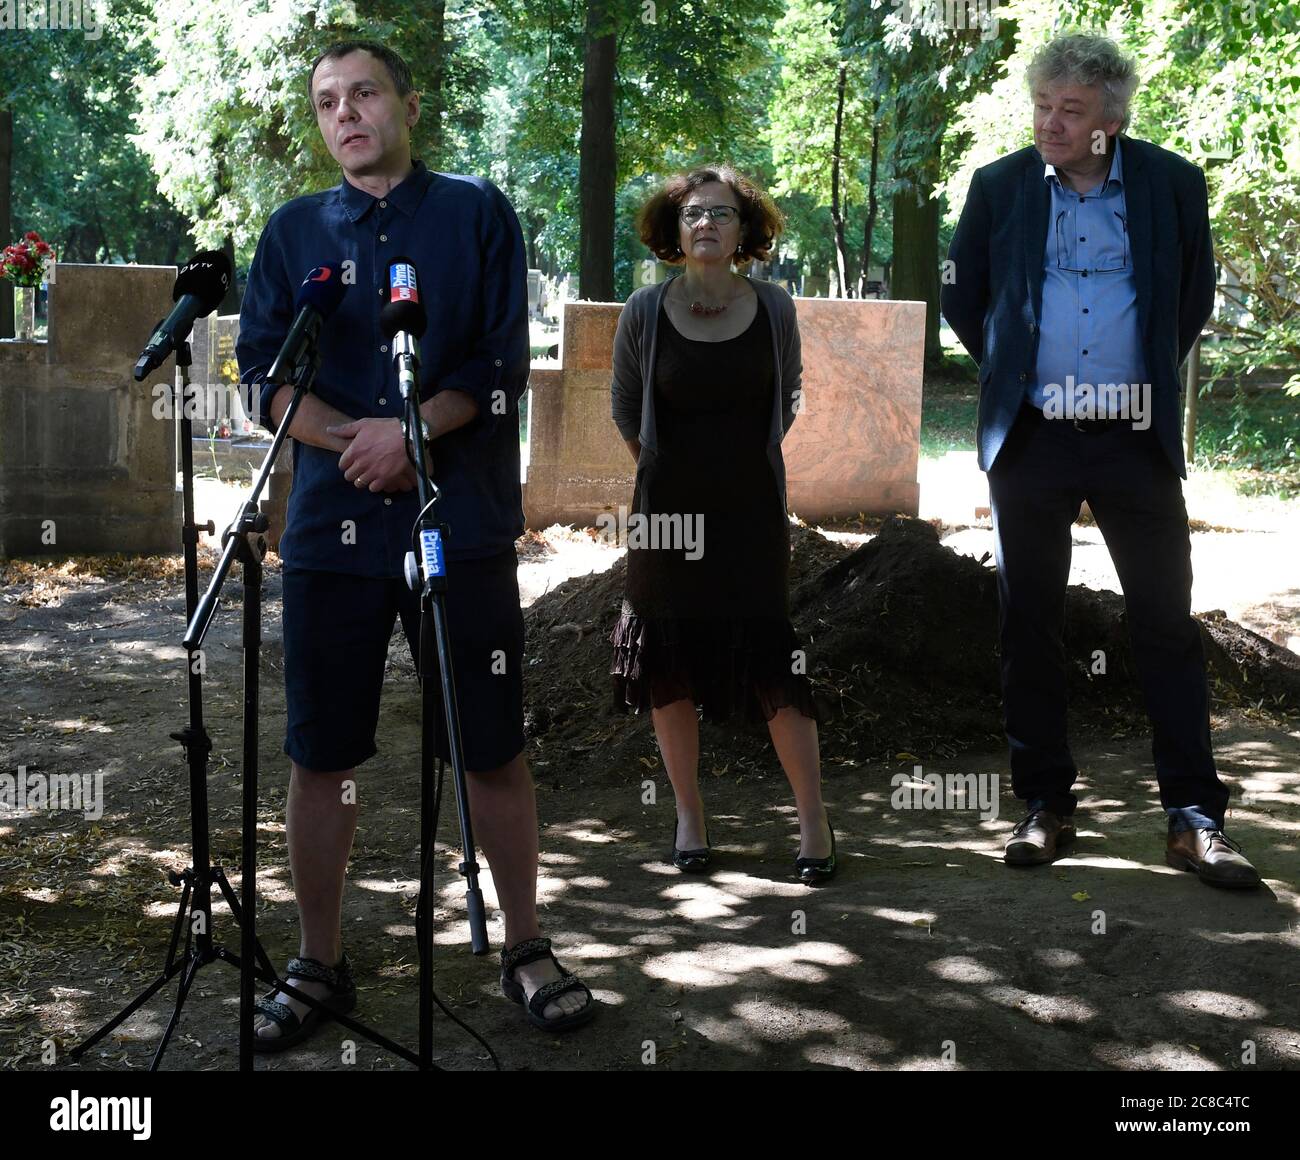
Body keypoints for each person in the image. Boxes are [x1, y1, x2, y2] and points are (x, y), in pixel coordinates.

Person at [237, 39, 595, 1048]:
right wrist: (356, 440)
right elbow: (258, 377)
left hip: (459, 523)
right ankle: (319, 959)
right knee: (323, 755)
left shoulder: (475, 212)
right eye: (325, 102)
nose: (344, 114)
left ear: (407, 102)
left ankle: (523, 942)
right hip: (329, 535)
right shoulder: (293, 230)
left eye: (363, 94)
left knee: (490, 744)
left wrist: (415, 430)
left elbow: (500, 366)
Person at [941, 32, 1260, 887]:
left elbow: (1186, 298)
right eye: (1042, 105)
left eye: (1070, 110)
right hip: (1034, 438)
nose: (1050, 122)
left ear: (1110, 121)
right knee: (1028, 626)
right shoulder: (1000, 186)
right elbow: (967, 297)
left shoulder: (1171, 185)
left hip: (1135, 436)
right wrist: (1021, 377)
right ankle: (1045, 805)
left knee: (1165, 624)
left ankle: (1195, 819)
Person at [609, 165, 835, 885]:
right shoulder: (644, 310)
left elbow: (788, 398)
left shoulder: (775, 309)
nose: (706, 223)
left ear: (747, 230)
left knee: (771, 657)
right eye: (693, 214)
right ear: (673, 231)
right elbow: (625, 408)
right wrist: (668, 478)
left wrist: (733, 468)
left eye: (723, 213)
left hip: (750, 512)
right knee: (667, 661)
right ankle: (689, 814)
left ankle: (813, 819)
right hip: (666, 516)